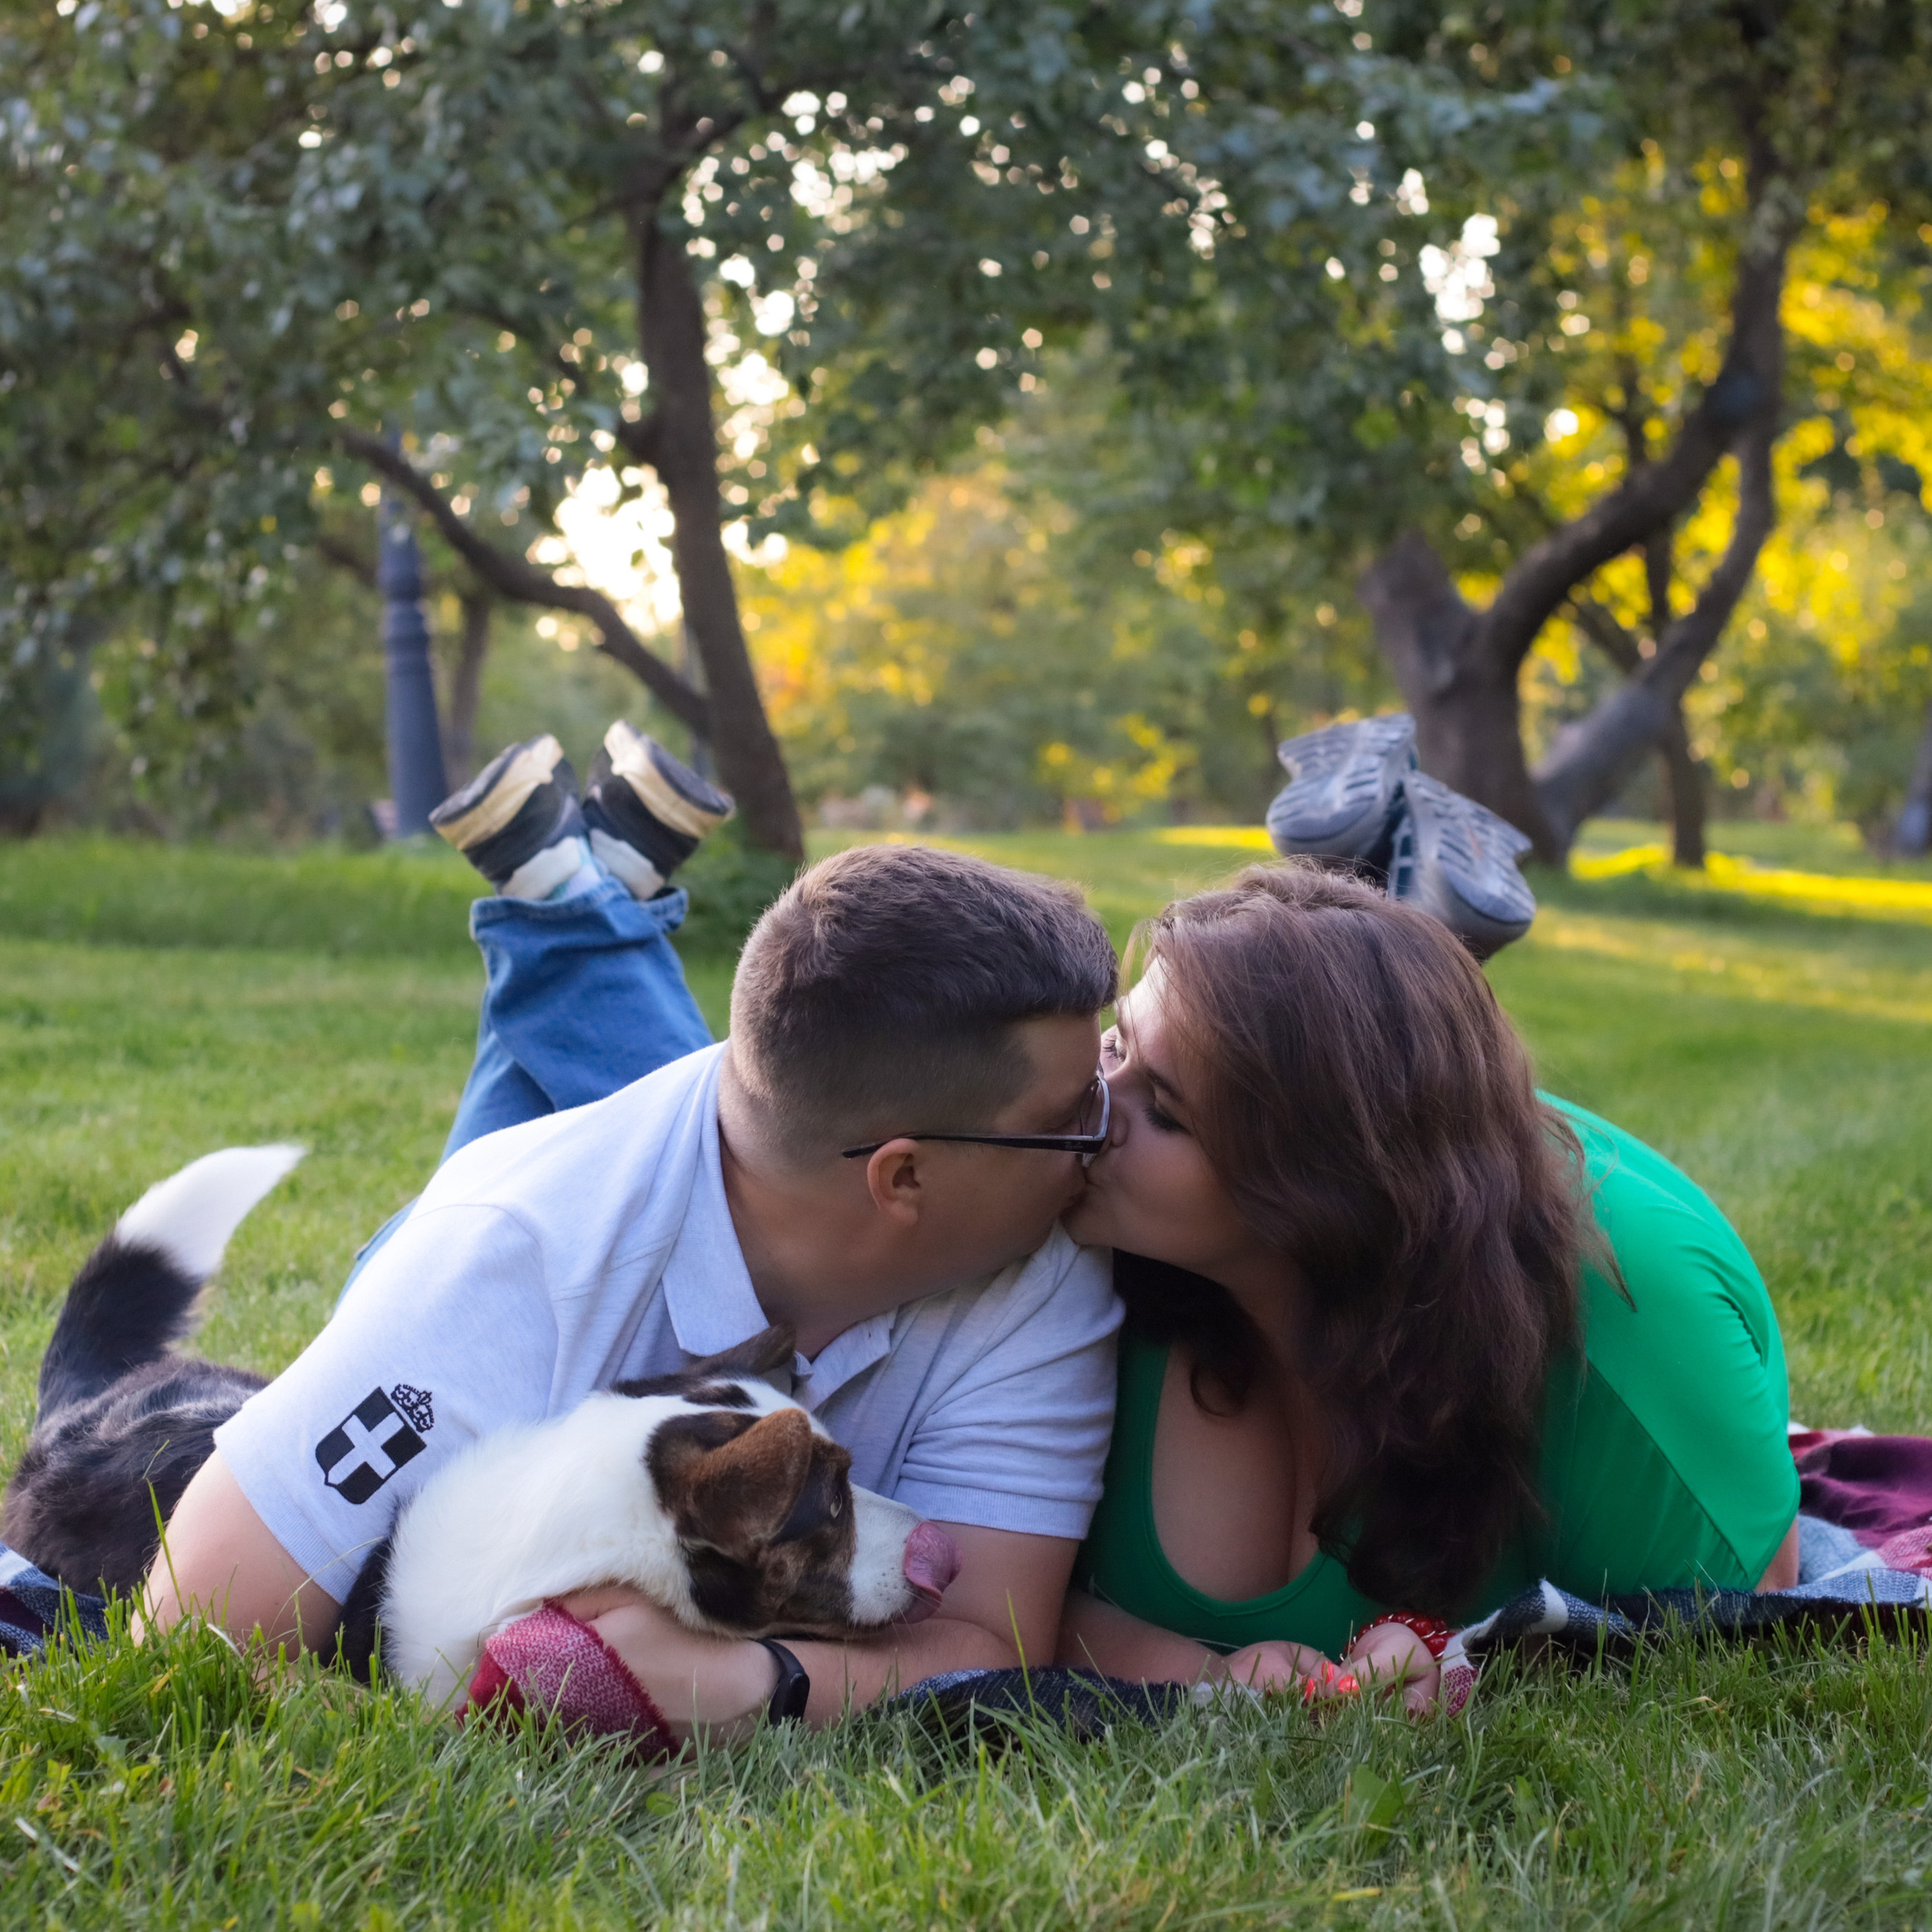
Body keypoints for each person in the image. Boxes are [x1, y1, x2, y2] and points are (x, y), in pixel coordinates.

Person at [142, 721, 1127, 1742]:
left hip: (680, 1190)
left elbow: (990, 1646)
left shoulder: (1040, 1263)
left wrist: (737, 1682)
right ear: (906, 1174)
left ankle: (564, 901)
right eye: (1071, 1118)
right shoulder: (499, 1268)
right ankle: (568, 901)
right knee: (535, 1217)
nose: (1112, 1128)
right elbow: (189, 1635)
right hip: (520, 1244)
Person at [1056, 858, 1801, 1712]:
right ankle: (1379, 887)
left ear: (1313, 1186)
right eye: (1115, 1042)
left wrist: (1480, 1663)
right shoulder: (1070, 1226)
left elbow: (1747, 1632)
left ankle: (1394, 884)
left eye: (1165, 1111)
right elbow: (991, 1596)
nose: (1090, 1109)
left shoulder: (1627, 1331)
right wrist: (1196, 1674)